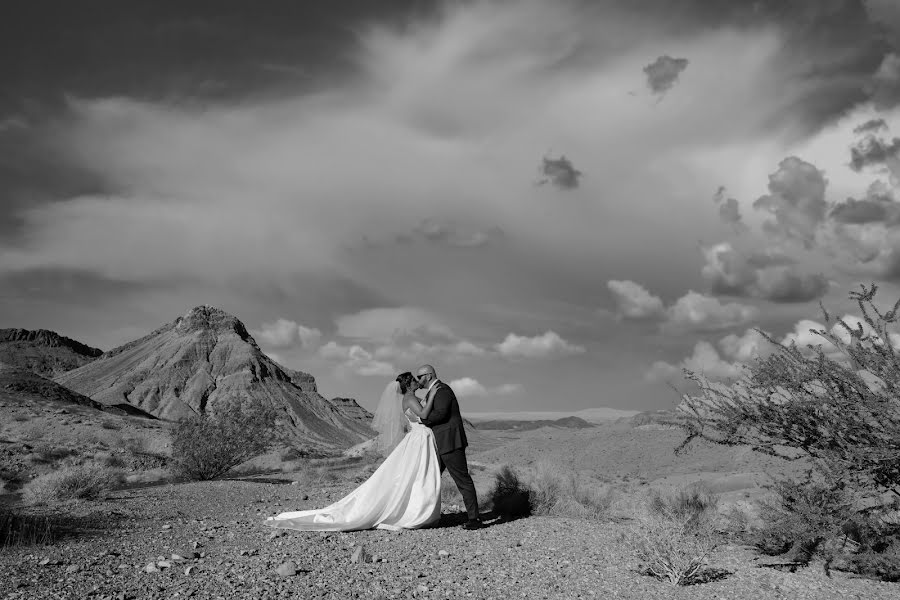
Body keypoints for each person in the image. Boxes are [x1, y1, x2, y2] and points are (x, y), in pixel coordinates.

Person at [265, 372, 441, 531]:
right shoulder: (410, 398)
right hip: (419, 438)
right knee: (418, 474)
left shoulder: (409, 398)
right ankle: (416, 512)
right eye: (414, 380)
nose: (418, 381)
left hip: (419, 438)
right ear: (409, 384)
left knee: (416, 475)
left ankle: (417, 509)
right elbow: (424, 415)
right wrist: (432, 395)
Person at [416, 364, 483, 530]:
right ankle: (424, 515)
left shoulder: (442, 390)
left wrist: (421, 419)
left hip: (450, 442)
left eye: (420, 376)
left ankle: (475, 519)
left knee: (462, 479)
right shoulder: (434, 392)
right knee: (429, 478)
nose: (418, 380)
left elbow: (440, 414)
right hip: (440, 443)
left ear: (429, 375)